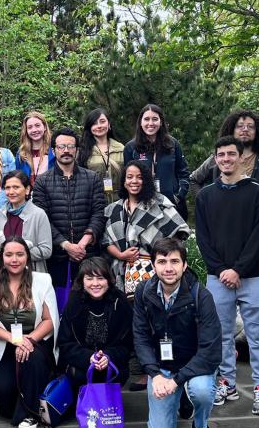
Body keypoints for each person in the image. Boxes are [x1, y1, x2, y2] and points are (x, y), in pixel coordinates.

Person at [190, 110, 259, 381]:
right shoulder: (219, 159)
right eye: (240, 126)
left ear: (258, 131)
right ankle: (227, 378)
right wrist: (215, 202)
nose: (245, 130)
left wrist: (250, 204)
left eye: (250, 126)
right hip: (222, 252)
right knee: (222, 323)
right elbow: (194, 181)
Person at [194, 136, 259, 415]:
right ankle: (226, 381)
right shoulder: (205, 196)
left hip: (251, 276)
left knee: (256, 334)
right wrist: (221, 270)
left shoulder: (258, 194)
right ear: (215, 159)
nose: (226, 159)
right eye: (220, 155)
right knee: (221, 334)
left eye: (231, 154)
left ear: (241, 158)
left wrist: (238, 269)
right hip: (218, 278)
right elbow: (202, 239)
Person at [133, 238, 221, 428]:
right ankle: (180, 398)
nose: (168, 268)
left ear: (184, 265)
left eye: (174, 261)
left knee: (201, 391)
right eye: (162, 262)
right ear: (153, 265)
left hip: (195, 366)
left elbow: (211, 350)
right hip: (163, 369)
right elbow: (141, 337)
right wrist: (154, 373)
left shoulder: (201, 296)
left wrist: (177, 380)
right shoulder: (144, 292)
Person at [0, 238, 60, 428]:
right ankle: (16, 404)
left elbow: (49, 320)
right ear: (1, 257)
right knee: (3, 388)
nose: (14, 259)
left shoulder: (43, 280)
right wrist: (14, 339)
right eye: (9, 255)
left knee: (32, 361)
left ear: (27, 257)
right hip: (4, 342)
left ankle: (29, 414)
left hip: (36, 341)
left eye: (19, 254)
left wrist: (29, 340)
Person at [32, 128, 106, 309]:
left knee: (90, 304)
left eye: (70, 146)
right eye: (61, 146)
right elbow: (42, 219)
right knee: (58, 307)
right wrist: (66, 245)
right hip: (57, 257)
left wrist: (83, 243)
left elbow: (99, 212)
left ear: (77, 150)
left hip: (88, 254)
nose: (66, 150)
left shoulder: (92, 178)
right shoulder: (42, 181)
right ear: (54, 150)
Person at [102, 160, 190, 296]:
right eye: (130, 177)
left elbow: (178, 236)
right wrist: (121, 255)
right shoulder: (113, 209)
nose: (134, 181)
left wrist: (157, 257)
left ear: (146, 181)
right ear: (124, 181)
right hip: (121, 273)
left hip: (156, 271)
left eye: (139, 177)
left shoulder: (160, 203)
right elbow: (106, 241)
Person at [57, 257, 133, 387]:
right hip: (80, 366)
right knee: (79, 375)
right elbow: (65, 343)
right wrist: (89, 357)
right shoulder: (74, 301)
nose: (95, 283)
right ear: (82, 281)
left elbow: (128, 344)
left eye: (100, 278)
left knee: (116, 373)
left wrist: (108, 356)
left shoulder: (120, 302)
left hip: (112, 365)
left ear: (109, 280)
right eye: (89, 278)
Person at [123, 104, 189, 217]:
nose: (150, 123)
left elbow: (184, 173)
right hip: (143, 207)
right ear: (140, 122)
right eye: (146, 119)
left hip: (172, 206)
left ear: (161, 122)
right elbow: (127, 179)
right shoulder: (130, 148)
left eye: (155, 119)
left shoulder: (173, 144)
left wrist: (179, 196)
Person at [0, 170, 52, 273]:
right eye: (7, 188)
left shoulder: (38, 214)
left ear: (27, 189)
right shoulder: (0, 215)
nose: (11, 192)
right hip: (5, 276)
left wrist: (18, 254)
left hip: (31, 276)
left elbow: (46, 251)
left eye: (16, 187)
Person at [78, 107, 124, 201]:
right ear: (89, 127)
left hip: (120, 201)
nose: (99, 126)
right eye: (94, 123)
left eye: (102, 121)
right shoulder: (82, 151)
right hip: (95, 202)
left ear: (109, 124)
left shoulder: (121, 148)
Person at [16, 111, 54, 186]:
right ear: (26, 130)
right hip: (28, 196)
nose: (34, 130)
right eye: (30, 127)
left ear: (45, 127)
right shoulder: (21, 154)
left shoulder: (54, 151)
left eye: (37, 125)